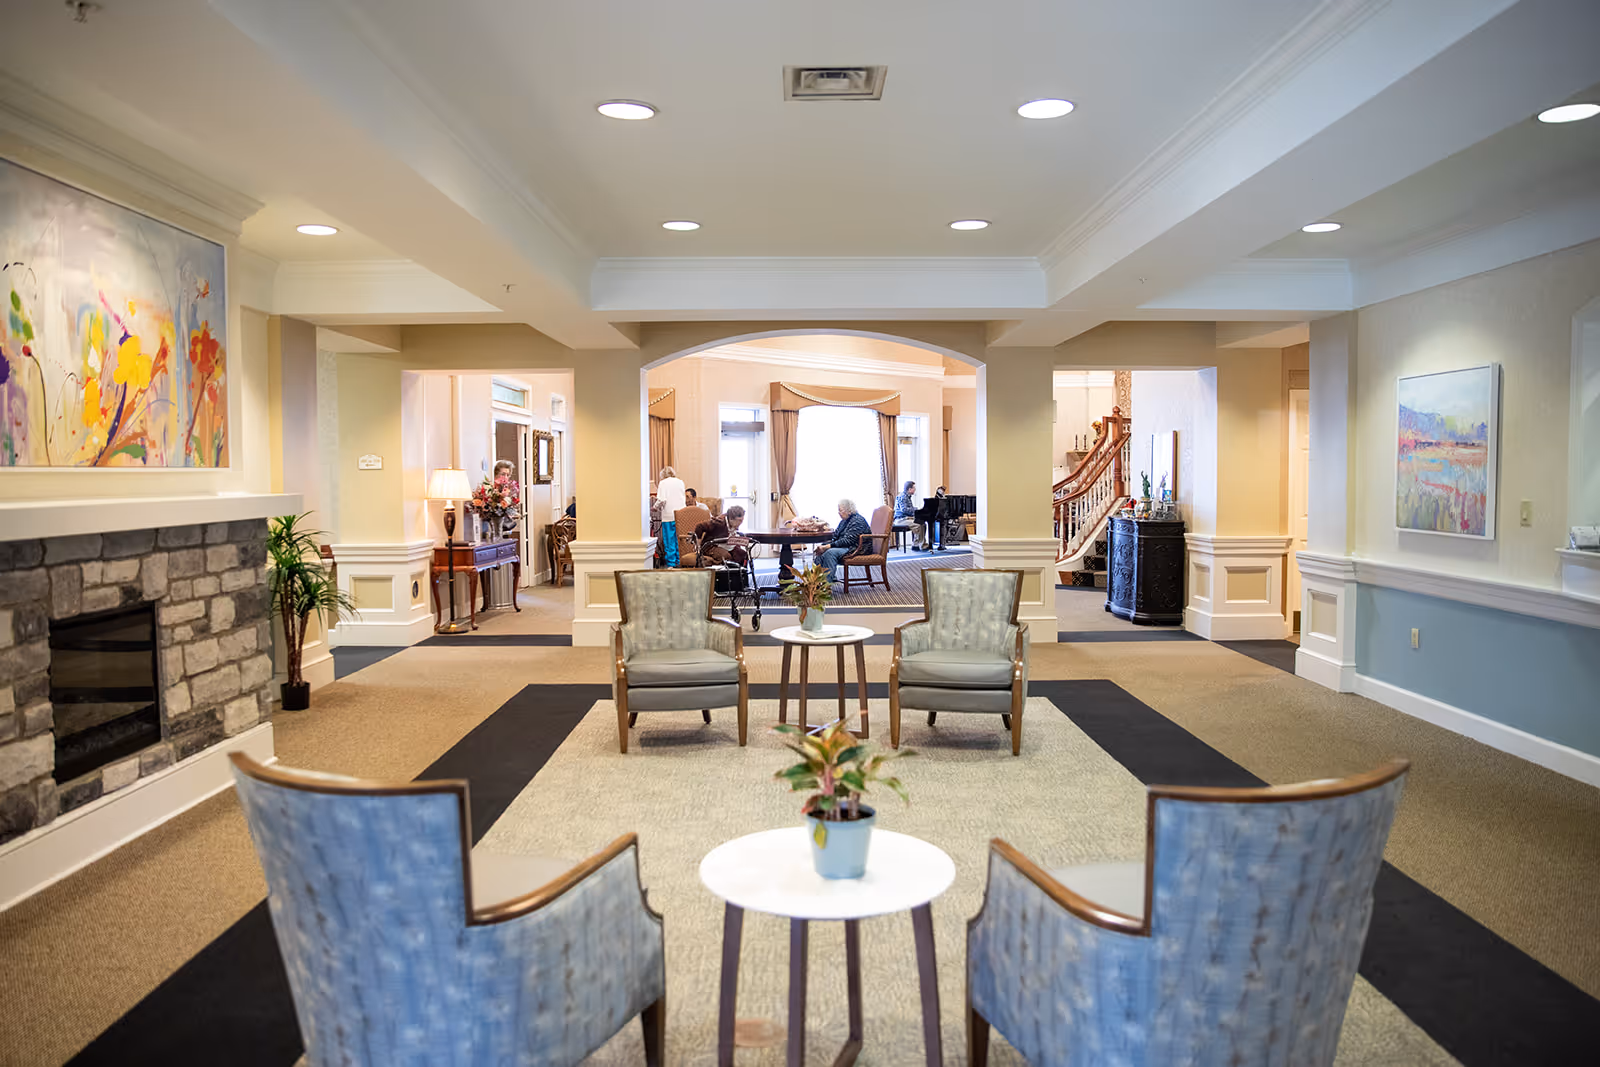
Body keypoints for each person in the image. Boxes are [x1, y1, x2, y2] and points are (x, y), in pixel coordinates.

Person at [813, 499, 872, 582]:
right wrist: (824, 546)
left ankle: (826, 584)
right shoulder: (844, 521)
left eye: (841, 510)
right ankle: (815, 582)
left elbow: (848, 541)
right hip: (847, 546)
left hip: (856, 548)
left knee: (830, 553)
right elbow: (836, 537)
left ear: (849, 510)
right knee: (821, 550)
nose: (839, 513)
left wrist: (828, 546)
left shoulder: (858, 520)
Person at [655, 466, 686, 566]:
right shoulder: (680, 482)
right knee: (679, 541)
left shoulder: (663, 483)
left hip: (668, 515)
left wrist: (654, 507)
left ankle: (671, 564)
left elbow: (661, 500)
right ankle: (679, 561)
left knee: (669, 541)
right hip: (681, 515)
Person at [894, 479, 918, 549]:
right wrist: (915, 509)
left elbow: (908, 509)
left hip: (905, 518)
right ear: (910, 489)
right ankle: (916, 545)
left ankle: (919, 544)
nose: (915, 490)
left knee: (922, 523)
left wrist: (915, 509)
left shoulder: (907, 496)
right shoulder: (903, 497)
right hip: (900, 520)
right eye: (914, 488)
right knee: (918, 525)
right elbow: (904, 510)